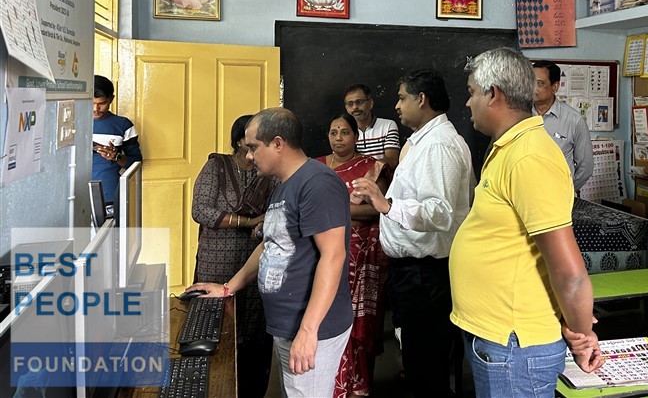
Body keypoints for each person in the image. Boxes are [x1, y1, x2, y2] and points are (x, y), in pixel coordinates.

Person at [450, 47, 602, 398]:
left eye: (473, 92)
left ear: (494, 94)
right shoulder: (509, 147)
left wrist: (581, 337)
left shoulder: (531, 156)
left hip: (514, 345)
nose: (469, 102)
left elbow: (569, 272)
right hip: (497, 335)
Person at [186, 108, 352, 398]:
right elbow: (270, 244)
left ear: (278, 143)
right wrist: (228, 288)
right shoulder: (284, 185)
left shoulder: (317, 184)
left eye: (253, 147)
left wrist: (308, 330)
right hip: (288, 323)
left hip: (313, 328)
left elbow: (333, 256)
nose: (248, 155)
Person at [350, 69, 474, 398]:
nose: (397, 105)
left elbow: (440, 212)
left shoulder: (438, 146)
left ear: (422, 99)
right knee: (419, 362)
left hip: (427, 274)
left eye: (403, 97)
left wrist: (386, 205)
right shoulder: (422, 142)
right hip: (415, 274)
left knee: (428, 366)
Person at [191, 115, 279, 398]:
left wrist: (262, 225)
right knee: (213, 328)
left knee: (254, 335)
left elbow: (276, 215)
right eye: (254, 138)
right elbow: (201, 211)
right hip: (215, 263)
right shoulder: (217, 166)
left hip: (255, 262)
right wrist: (247, 222)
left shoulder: (269, 172)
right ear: (240, 140)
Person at [315, 113, 391, 398]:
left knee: (358, 328)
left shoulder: (371, 169)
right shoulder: (316, 167)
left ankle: (358, 387)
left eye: (344, 132)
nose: (338, 138)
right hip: (323, 258)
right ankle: (327, 386)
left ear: (356, 137)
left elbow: (376, 208)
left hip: (360, 260)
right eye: (333, 132)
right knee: (325, 323)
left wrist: (333, 213)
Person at [532, 60, 594, 192]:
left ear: (555, 87)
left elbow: (586, 166)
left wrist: (567, 190)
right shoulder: (519, 115)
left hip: (558, 197)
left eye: (539, 83)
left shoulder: (574, 120)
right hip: (524, 196)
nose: (532, 88)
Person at [92, 75, 142, 205]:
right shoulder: (71, 123)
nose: (95, 109)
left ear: (111, 99)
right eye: (91, 103)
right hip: (74, 194)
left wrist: (116, 157)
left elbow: (136, 163)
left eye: (101, 104)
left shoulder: (124, 125)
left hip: (108, 196)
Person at [344, 84, 401, 170]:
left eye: (359, 102)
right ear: (346, 108)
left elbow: (392, 161)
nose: (355, 107)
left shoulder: (388, 126)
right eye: (350, 104)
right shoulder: (344, 132)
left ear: (370, 103)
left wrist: (364, 170)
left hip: (382, 180)